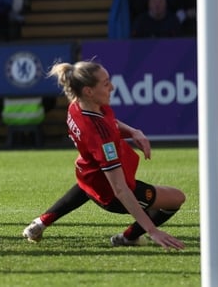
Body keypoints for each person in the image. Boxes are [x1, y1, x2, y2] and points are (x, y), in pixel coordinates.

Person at [21, 61, 185, 250]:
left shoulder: (77, 106)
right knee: (176, 198)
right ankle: (128, 237)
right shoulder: (100, 136)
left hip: (88, 174)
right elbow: (120, 189)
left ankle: (41, 222)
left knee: (87, 186)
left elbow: (108, 122)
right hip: (110, 194)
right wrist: (152, 230)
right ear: (89, 91)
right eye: (106, 83)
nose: (112, 87)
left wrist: (133, 131)